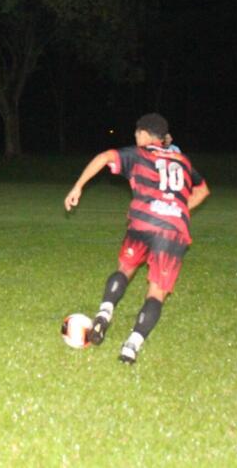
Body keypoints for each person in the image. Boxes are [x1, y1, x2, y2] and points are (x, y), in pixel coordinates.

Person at [64, 113, 210, 364]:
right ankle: (132, 346)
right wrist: (178, 208)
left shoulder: (139, 154)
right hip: (174, 229)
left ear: (144, 134)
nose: (135, 137)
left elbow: (105, 157)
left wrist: (78, 186)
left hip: (144, 221)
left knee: (125, 268)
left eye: (136, 133)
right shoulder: (182, 160)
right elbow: (203, 189)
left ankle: (105, 312)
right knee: (157, 292)